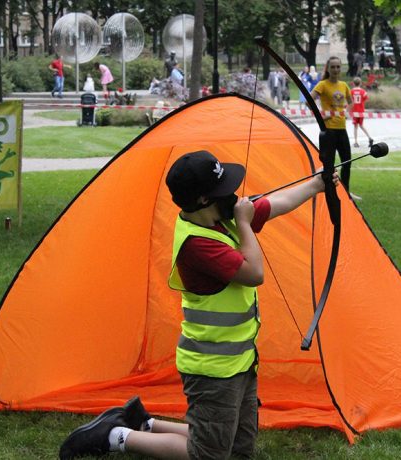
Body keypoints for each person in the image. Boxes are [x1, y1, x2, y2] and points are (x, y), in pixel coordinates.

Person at [58, 150, 338, 460]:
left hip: (239, 362)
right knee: (208, 454)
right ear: (204, 199)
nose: (232, 194)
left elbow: (274, 205)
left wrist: (316, 184)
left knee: (236, 450)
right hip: (212, 369)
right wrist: (245, 224)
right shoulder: (198, 244)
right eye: (223, 189)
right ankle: (116, 436)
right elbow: (255, 273)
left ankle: (145, 424)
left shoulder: (219, 214)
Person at [311, 56, 358, 200]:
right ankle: (329, 192)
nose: (336, 70)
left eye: (338, 67)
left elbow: (350, 102)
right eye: (333, 67)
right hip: (328, 131)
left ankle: (346, 193)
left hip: (341, 129)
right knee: (328, 165)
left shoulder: (344, 85)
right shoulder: (323, 85)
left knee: (347, 162)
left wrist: (345, 111)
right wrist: (321, 116)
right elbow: (309, 100)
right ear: (328, 68)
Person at [350, 77, 372, 147]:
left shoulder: (351, 91)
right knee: (361, 125)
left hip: (355, 111)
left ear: (353, 83)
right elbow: (366, 99)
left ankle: (356, 141)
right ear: (360, 83)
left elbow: (350, 101)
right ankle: (369, 137)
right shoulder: (363, 91)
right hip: (361, 110)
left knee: (355, 126)